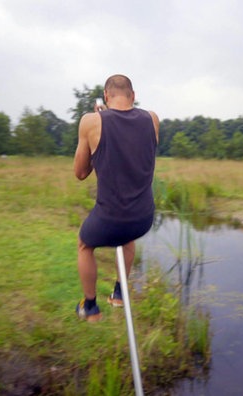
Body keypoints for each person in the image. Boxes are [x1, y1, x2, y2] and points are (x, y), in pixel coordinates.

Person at [73, 74, 159, 322]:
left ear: (106, 96)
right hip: (143, 218)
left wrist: (96, 122)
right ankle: (119, 294)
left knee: (84, 245)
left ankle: (90, 307)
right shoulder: (152, 119)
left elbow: (80, 173)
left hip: (109, 219)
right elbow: (132, 146)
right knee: (127, 238)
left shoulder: (90, 122)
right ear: (132, 96)